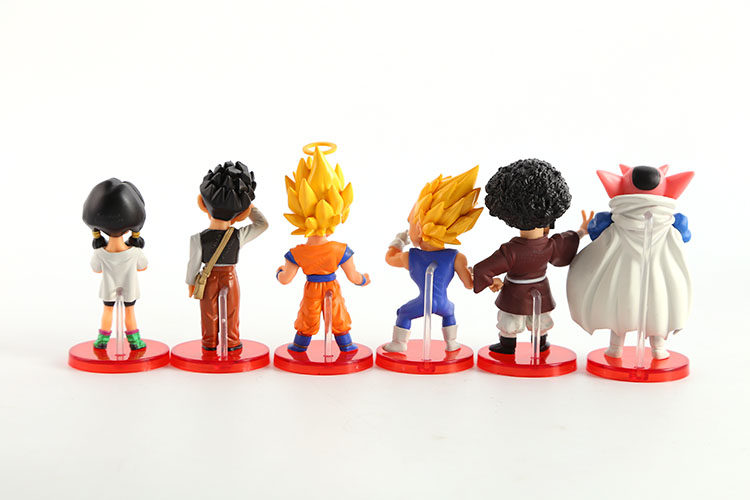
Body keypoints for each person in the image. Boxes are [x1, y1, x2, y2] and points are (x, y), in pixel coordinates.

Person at [566, 165, 693, 359]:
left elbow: (595, 233)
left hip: (628, 272)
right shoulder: (673, 223)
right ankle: (654, 348)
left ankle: (619, 347)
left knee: (621, 305)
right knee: (655, 305)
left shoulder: (613, 220)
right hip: (652, 272)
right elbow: (685, 236)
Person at [473, 159, 592, 354]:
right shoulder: (549, 245)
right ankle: (538, 343)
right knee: (537, 320)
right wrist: (581, 232)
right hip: (539, 289)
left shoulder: (511, 251)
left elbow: (483, 268)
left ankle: (509, 345)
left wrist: (490, 280)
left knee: (512, 320)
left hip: (515, 292)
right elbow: (566, 241)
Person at [276, 142, 370, 353]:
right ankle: (345, 345)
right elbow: (353, 277)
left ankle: (300, 346)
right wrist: (363, 279)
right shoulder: (340, 250)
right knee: (337, 313)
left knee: (308, 315)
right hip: (331, 287)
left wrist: (279, 272)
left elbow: (285, 279)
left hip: (312, 287)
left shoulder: (297, 253)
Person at [383, 166, 483, 352]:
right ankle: (452, 343)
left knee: (403, 313)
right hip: (444, 304)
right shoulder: (456, 257)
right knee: (449, 313)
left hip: (423, 302)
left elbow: (389, 258)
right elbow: (469, 285)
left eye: (411, 223)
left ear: (420, 228)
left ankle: (399, 343)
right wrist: (479, 275)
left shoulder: (410, 256)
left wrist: (398, 241)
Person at [185, 161, 268, 351]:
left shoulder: (197, 238)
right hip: (230, 277)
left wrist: (191, 283)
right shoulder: (238, 236)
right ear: (241, 214)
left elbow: (193, 264)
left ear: (202, 204)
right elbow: (262, 224)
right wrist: (247, 204)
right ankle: (231, 342)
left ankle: (209, 343)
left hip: (208, 279)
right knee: (232, 311)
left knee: (208, 312)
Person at [83, 178, 149, 350]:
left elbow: (96, 269)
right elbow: (143, 266)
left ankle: (102, 340)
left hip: (108, 288)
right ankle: (134, 341)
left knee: (107, 310)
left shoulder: (100, 253)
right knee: (130, 311)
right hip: (130, 288)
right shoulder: (135, 252)